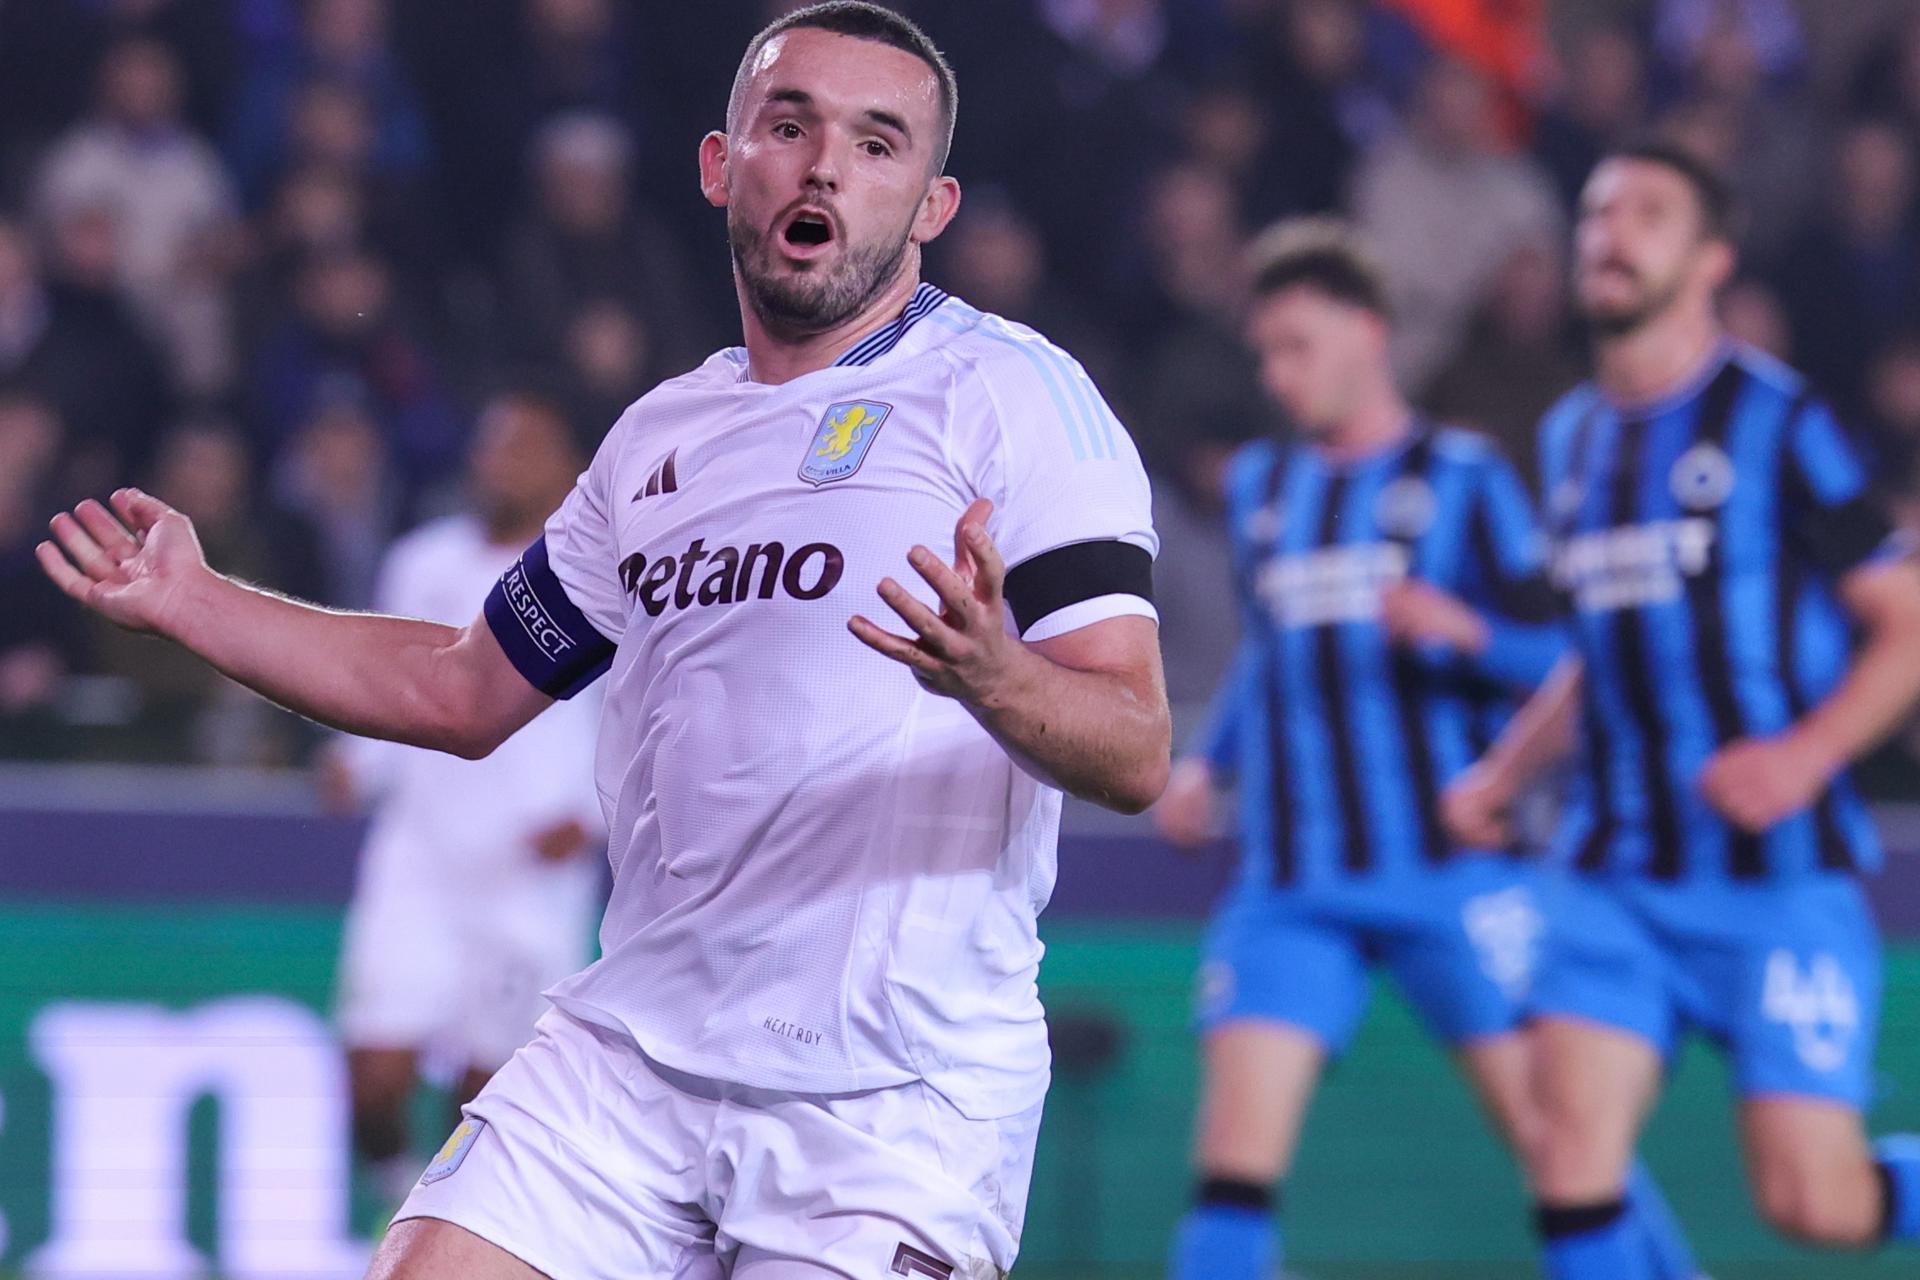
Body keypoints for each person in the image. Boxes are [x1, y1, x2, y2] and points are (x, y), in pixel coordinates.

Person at [37, 5, 1170, 1278]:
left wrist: (998, 673)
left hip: (889, 1099)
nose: (823, 167)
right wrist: (197, 598)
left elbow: (1134, 746)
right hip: (630, 1057)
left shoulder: (1015, 399)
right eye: (788, 126)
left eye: (877, 143)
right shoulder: (655, 443)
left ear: (932, 204)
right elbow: (462, 688)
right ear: (718, 162)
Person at [1156, 218, 1696, 1280]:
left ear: (1369, 333)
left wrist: (1472, 632)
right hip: (1295, 878)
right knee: (1229, 1173)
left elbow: (1574, 655)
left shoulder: (1466, 478)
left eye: (1297, 344)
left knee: (1564, 1149)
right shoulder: (1266, 485)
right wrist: (1205, 764)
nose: (1277, 372)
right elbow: (1272, 652)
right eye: (1266, 350)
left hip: (1453, 872)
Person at [1445, 142, 1920, 1279]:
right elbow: (1594, 652)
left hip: (1775, 876)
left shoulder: (1779, 420)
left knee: (1813, 1199)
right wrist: (1504, 776)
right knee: (1566, 1155)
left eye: (1648, 212)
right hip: (1613, 876)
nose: (1610, 231)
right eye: (1598, 210)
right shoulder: (1569, 437)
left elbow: (1906, 621)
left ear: (1710, 258)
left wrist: (1806, 754)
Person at [320, 392, 605, 1216]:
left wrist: (591, 818)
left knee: (489, 1096)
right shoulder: (421, 561)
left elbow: (640, 722)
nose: (500, 462)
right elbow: (390, 683)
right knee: (372, 1076)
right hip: (420, 860)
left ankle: (441, 1235)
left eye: (524, 446)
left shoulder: (605, 576)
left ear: (569, 469)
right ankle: (391, 1202)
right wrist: (351, 763)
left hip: (528, 877)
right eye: (492, 444)